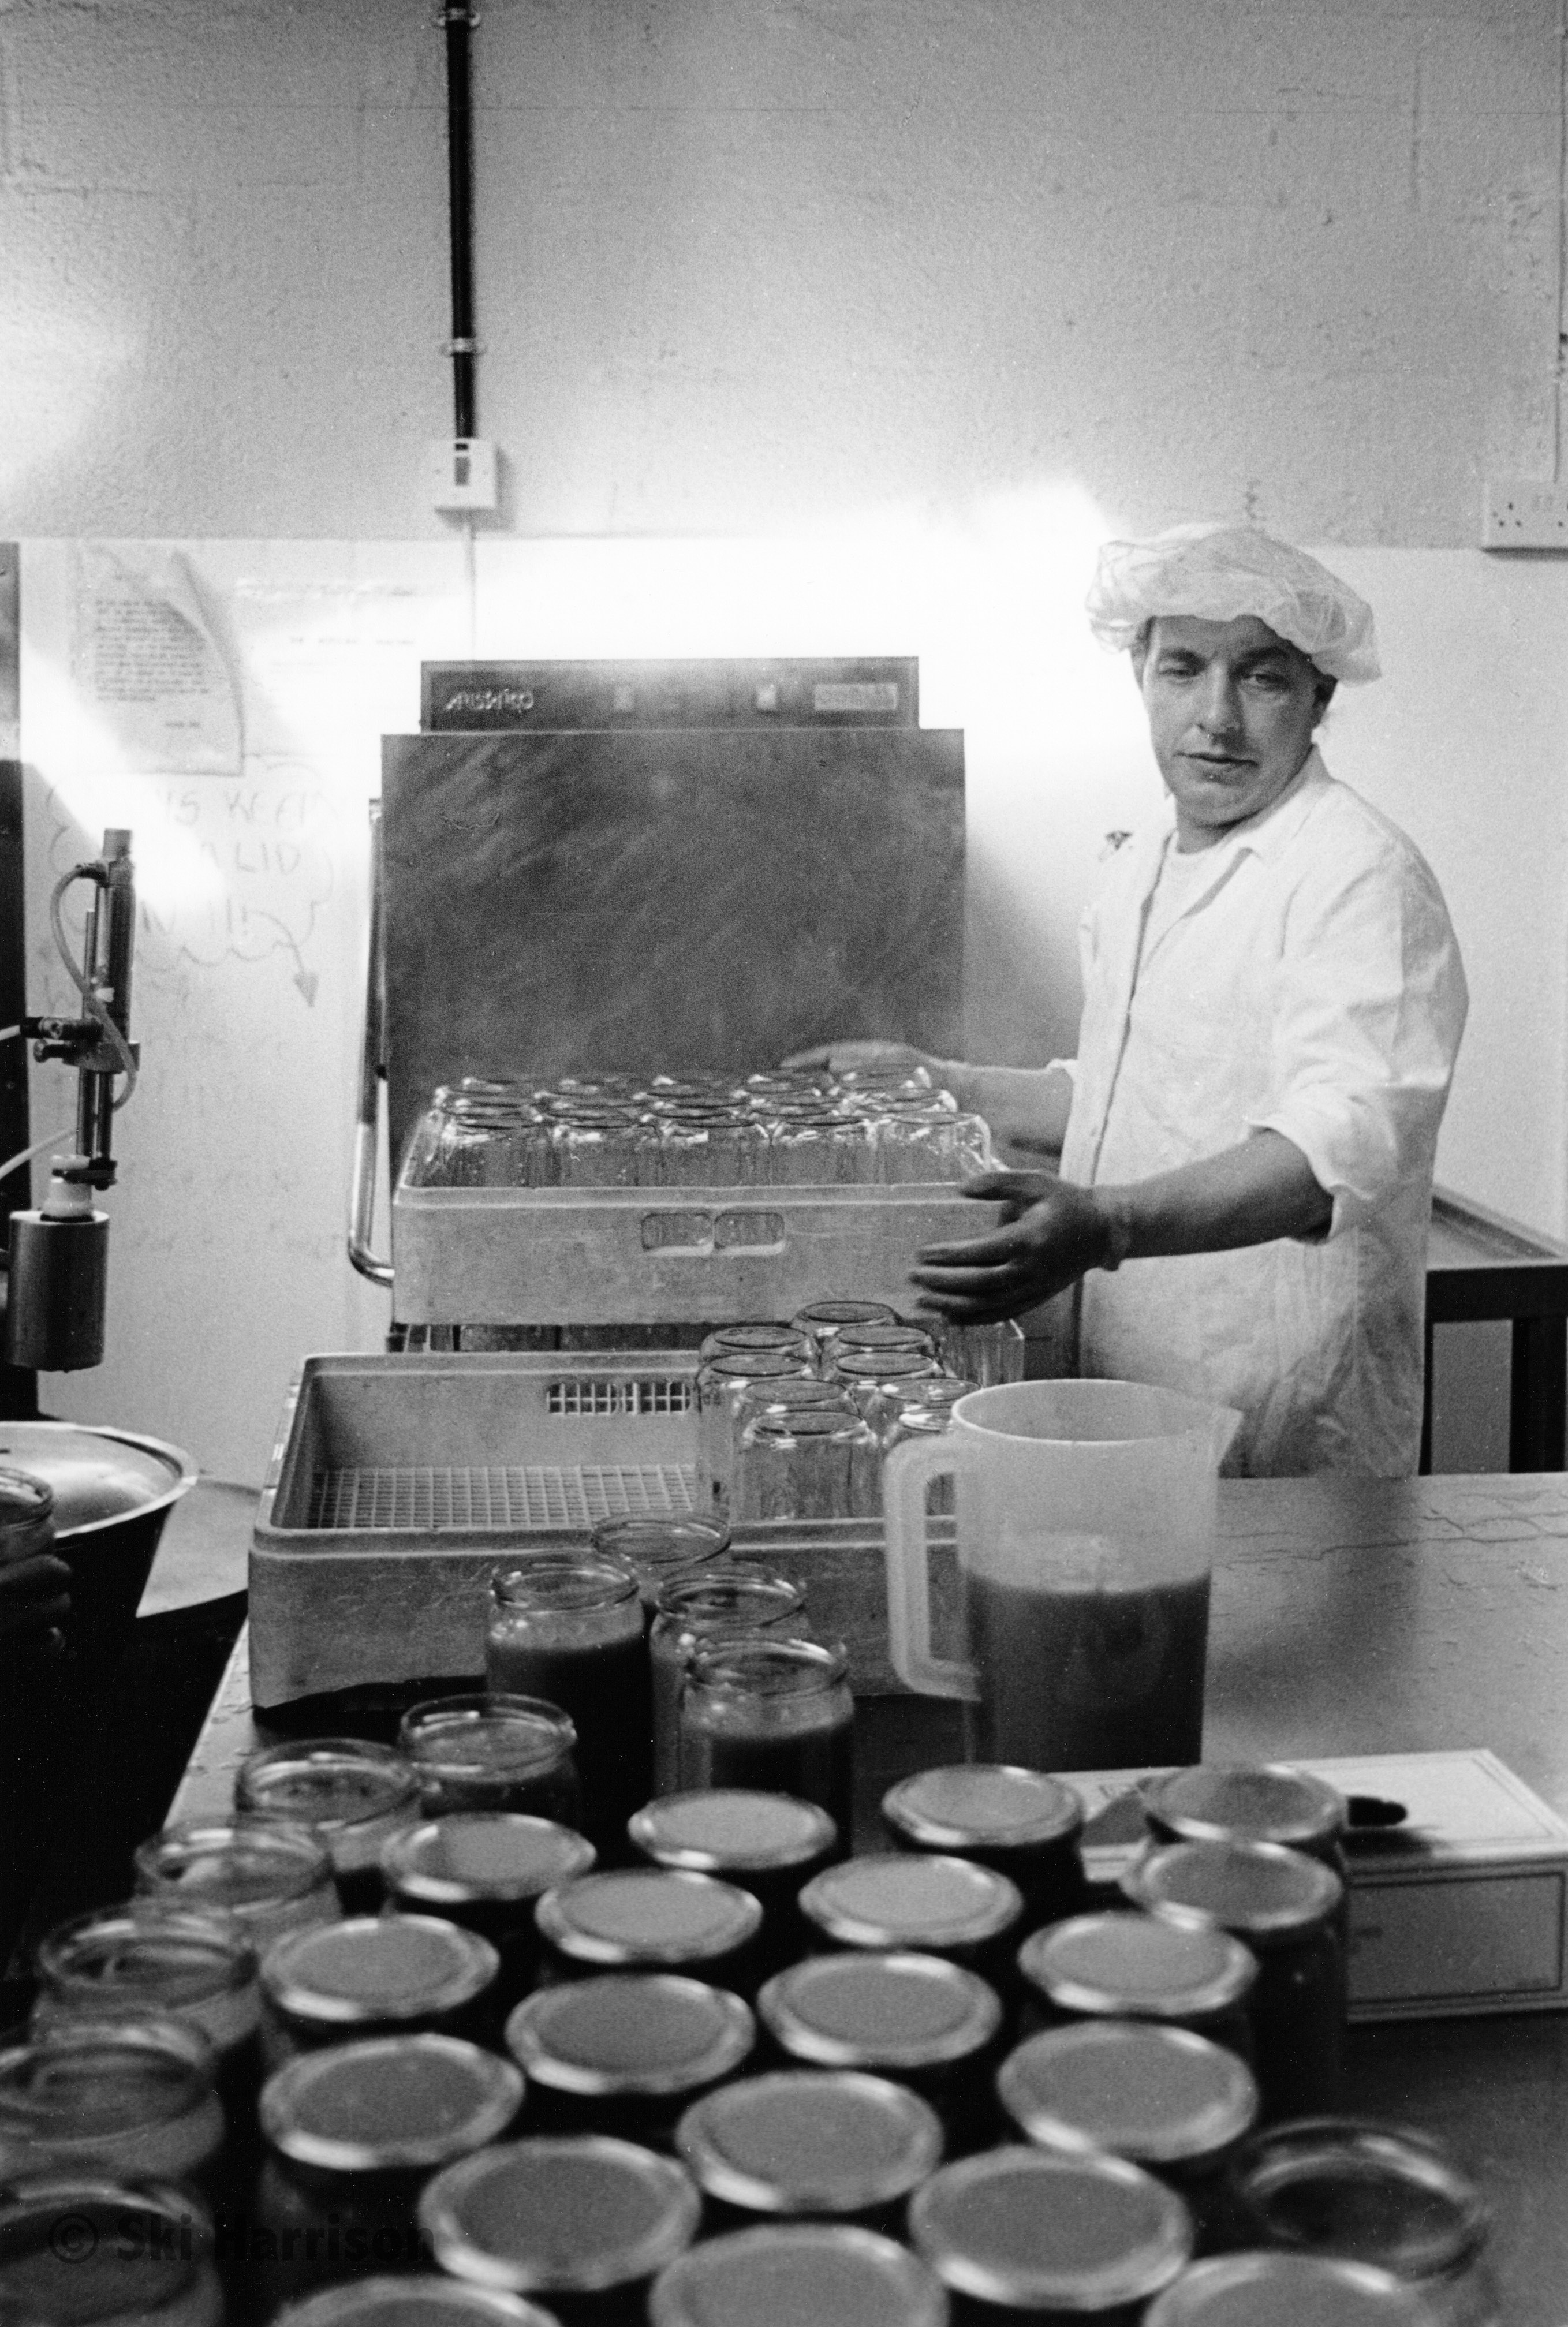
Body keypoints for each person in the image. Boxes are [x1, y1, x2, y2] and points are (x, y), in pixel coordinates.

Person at [793, 525, 1468, 1477]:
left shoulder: (1360, 876)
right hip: (1128, 1390)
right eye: (1184, 669)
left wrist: (1107, 1224)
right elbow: (1131, 1094)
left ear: (1320, 697)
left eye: (1262, 678)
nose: (1217, 718)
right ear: (1140, 675)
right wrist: (943, 1084)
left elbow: (1332, 1155)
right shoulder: (1142, 861)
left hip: (1281, 1415)